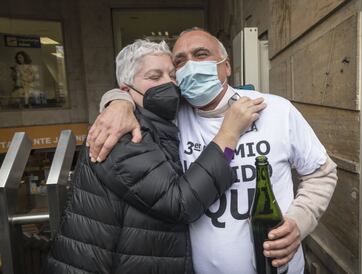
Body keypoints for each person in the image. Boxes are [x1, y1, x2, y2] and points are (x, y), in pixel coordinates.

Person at [88, 28, 338, 274]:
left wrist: (299, 222)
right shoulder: (171, 119)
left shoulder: (276, 110)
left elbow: (321, 173)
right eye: (180, 61)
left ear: (226, 66)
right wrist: (118, 102)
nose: (191, 65)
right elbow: (138, 95)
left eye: (200, 54)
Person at [44, 39, 265, 274]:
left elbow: (218, 96)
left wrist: (119, 101)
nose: (168, 84)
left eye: (172, 75)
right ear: (127, 88)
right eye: (154, 77)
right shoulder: (123, 135)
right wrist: (228, 134)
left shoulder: (159, 120)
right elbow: (179, 203)